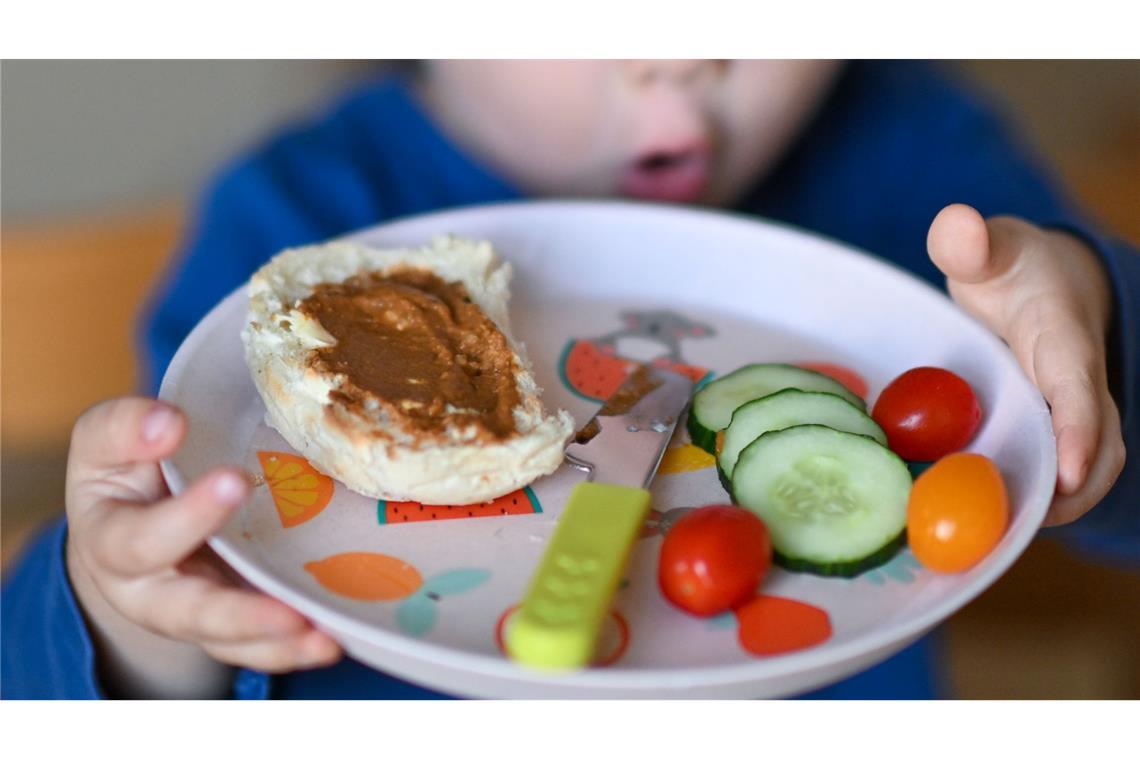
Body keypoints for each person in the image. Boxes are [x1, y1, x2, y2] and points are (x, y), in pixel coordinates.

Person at [3, 60, 1135, 699]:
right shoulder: (293, 220)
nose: (682, 48)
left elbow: (1088, 457)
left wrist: (1093, 332)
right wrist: (130, 628)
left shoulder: (922, 158)